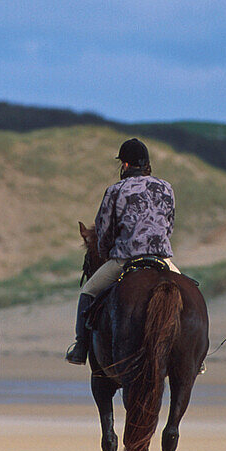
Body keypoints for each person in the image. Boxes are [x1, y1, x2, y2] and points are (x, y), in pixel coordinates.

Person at [66, 138, 179, 365]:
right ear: (147, 164)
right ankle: (196, 355)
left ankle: (80, 347)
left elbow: (104, 229)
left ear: (125, 165)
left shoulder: (115, 190)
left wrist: (106, 251)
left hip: (126, 257)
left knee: (87, 292)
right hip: (161, 258)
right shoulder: (166, 187)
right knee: (188, 292)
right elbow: (170, 225)